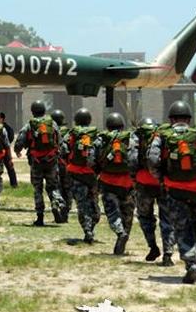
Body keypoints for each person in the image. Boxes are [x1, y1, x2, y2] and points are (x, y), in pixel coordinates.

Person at [148, 100, 196, 284]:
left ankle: (191, 262)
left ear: (171, 119)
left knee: (182, 227)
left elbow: (152, 160)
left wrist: (161, 179)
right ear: (189, 118)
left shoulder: (162, 136)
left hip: (175, 190)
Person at [128, 117, 176, 266]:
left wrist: (134, 178)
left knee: (145, 217)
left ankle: (153, 247)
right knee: (167, 219)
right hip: (162, 183)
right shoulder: (163, 135)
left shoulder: (136, 136)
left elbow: (132, 159)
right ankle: (168, 253)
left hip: (143, 183)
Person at [14, 100, 65, 226]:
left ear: (32, 112)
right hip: (51, 161)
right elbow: (60, 141)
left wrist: (17, 150)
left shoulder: (30, 125)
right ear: (44, 110)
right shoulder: (52, 124)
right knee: (53, 186)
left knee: (38, 189)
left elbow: (20, 140)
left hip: (36, 162)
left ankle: (40, 217)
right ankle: (56, 203)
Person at [93, 113, 135, 255]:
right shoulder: (130, 138)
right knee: (127, 214)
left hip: (108, 182)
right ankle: (123, 237)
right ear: (122, 126)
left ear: (108, 126)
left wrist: (97, 171)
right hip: (128, 183)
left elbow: (91, 160)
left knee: (112, 213)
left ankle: (120, 232)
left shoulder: (102, 139)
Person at [63, 107, 99, 243]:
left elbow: (64, 149)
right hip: (91, 175)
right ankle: (92, 225)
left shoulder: (72, 134)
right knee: (94, 203)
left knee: (82, 205)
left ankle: (87, 230)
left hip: (75, 173)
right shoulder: (95, 134)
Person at [51, 108, 71, 223]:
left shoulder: (50, 131)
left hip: (54, 164)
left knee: (55, 188)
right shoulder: (69, 133)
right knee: (67, 189)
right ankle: (65, 214)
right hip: (67, 166)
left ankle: (55, 204)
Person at [0, 111, 18, 188]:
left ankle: (14, 184)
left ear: (2, 119)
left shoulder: (7, 128)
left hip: (5, 150)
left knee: (10, 167)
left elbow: (11, 137)